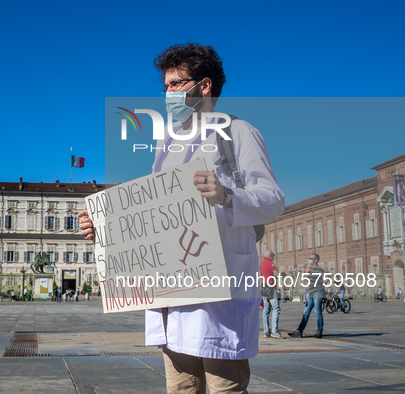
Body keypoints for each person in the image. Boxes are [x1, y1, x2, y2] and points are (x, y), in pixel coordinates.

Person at [79, 43, 285, 394]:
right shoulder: (167, 144)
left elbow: (272, 200)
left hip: (219, 291)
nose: (168, 93)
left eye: (175, 84)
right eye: (166, 86)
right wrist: (105, 227)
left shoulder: (239, 133)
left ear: (203, 86)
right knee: (181, 389)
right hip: (172, 292)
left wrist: (226, 195)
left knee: (225, 387)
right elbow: (154, 214)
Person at [289, 254, 325, 338]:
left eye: (311, 258)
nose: (309, 260)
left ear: (316, 260)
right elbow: (307, 280)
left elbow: (325, 279)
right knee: (306, 312)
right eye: (309, 258)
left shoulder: (320, 269)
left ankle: (319, 331)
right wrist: (306, 273)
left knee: (318, 312)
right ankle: (299, 331)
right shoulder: (310, 269)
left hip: (318, 292)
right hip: (311, 292)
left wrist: (321, 283)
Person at [260, 249, 282, 339]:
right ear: (270, 255)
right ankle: (274, 331)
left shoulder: (262, 263)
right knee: (276, 307)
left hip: (264, 287)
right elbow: (276, 274)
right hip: (271, 287)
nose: (273, 257)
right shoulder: (270, 263)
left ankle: (266, 331)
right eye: (273, 255)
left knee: (266, 309)